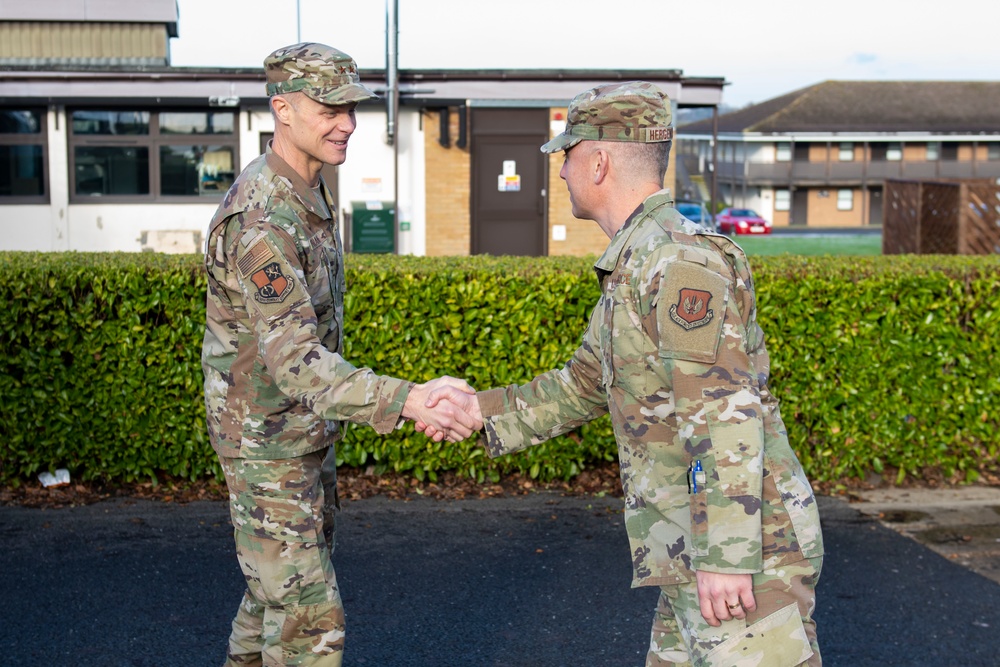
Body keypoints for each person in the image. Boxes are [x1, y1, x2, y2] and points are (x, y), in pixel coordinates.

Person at [422, 81, 825, 666]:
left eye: (568, 154)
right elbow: (583, 383)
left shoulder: (677, 262)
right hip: (693, 545)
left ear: (600, 161)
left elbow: (724, 412)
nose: (561, 172)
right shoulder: (638, 260)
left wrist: (726, 559)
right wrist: (475, 411)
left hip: (742, 558)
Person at [201, 43, 476, 667]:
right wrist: (411, 400)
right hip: (267, 441)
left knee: (273, 596)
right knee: (308, 620)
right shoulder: (263, 219)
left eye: (351, 107)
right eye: (330, 107)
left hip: (299, 434)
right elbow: (297, 362)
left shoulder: (308, 194)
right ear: (283, 110)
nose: (347, 122)